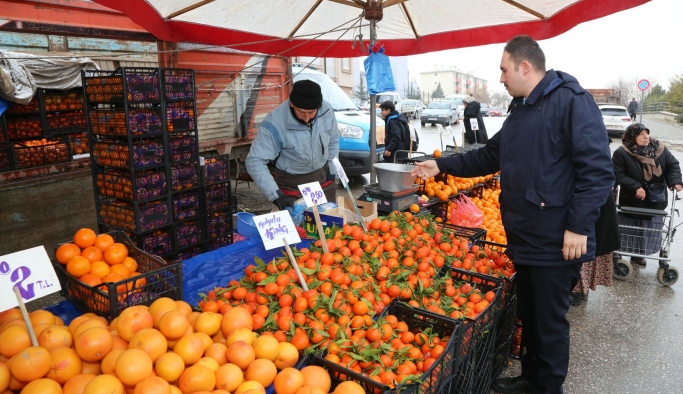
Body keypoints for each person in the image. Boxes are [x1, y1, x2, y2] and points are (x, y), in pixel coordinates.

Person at [410, 35, 615, 394]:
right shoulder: (522, 109)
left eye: (504, 70)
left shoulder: (571, 102)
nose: (501, 78)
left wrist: (578, 227)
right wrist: (439, 165)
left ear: (524, 66)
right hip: (525, 236)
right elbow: (488, 156)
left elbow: (598, 172)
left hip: (555, 239)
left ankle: (548, 386)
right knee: (532, 316)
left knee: (549, 324)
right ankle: (531, 379)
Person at [246, 79, 339, 210]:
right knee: (300, 226)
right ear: (292, 104)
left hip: (322, 178)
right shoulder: (275, 122)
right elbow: (254, 161)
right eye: (301, 112)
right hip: (292, 183)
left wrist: (332, 169)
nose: (306, 118)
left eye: (311, 112)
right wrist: (276, 195)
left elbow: (333, 140)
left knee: (328, 222)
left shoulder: (327, 111)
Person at [612, 123, 682, 266]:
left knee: (649, 227)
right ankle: (626, 252)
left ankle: (639, 255)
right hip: (632, 199)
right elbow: (616, 173)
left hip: (656, 198)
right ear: (632, 137)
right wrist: (635, 186)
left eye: (647, 133)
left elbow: (672, 165)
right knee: (632, 228)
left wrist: (675, 182)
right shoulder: (622, 152)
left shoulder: (659, 148)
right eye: (641, 134)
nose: (646, 137)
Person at [569, 190, 620, 305]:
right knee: (585, 250)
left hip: (589, 201)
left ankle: (577, 291)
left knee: (582, 250)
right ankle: (581, 290)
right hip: (593, 199)